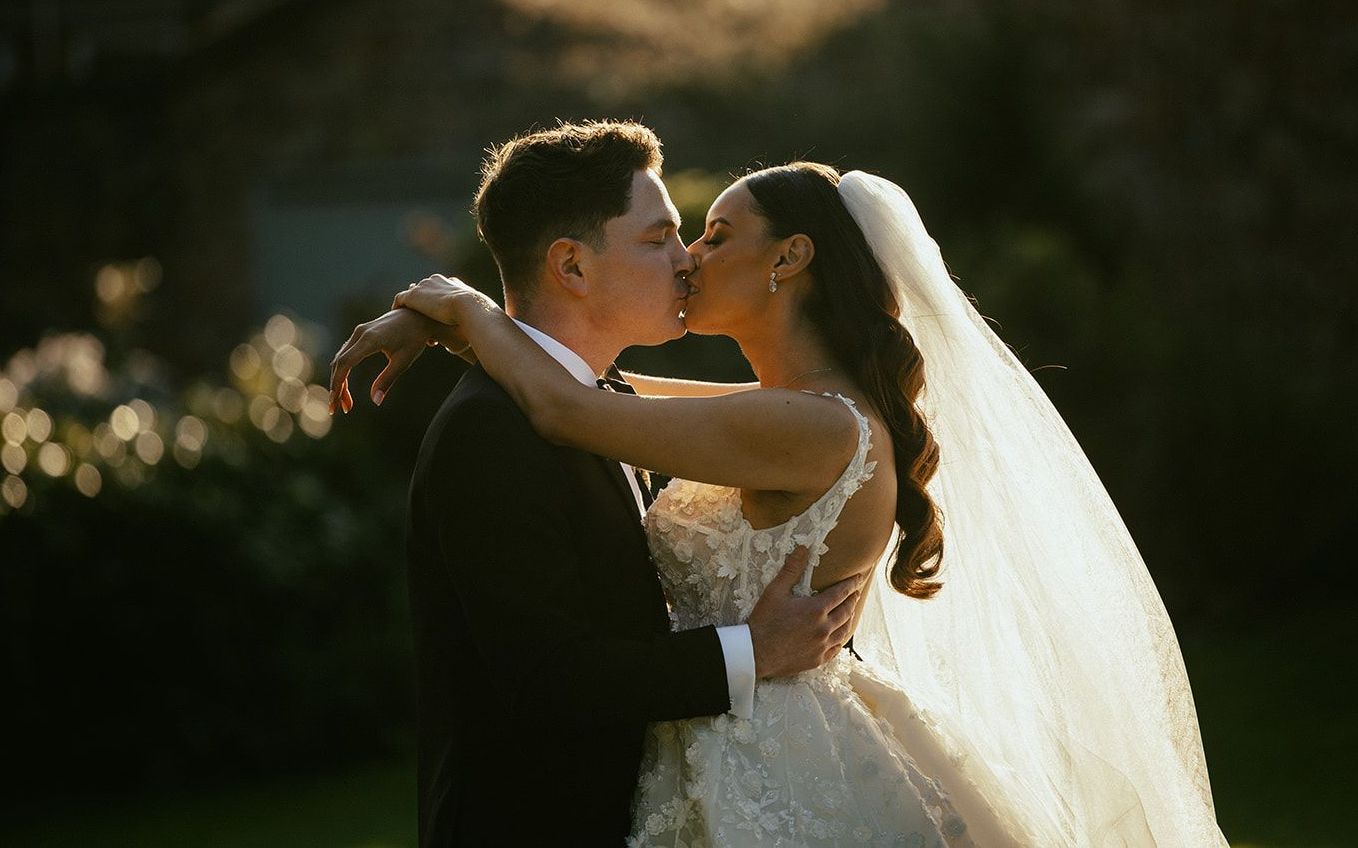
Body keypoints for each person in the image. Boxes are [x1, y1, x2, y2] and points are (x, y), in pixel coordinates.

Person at [337, 159, 1230, 844]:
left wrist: (455, 303)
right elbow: (595, 388)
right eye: (676, 238)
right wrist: (467, 329)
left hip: (776, 757)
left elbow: (570, 406)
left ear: (791, 258)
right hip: (717, 740)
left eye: (716, 235)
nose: (691, 257)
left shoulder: (813, 428)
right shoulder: (780, 415)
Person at [329, 122, 867, 846]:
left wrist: (461, 322)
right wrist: (752, 652)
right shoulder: (488, 432)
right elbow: (550, 678)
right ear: (572, 267)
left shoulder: (601, 401)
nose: (686, 264)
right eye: (658, 240)